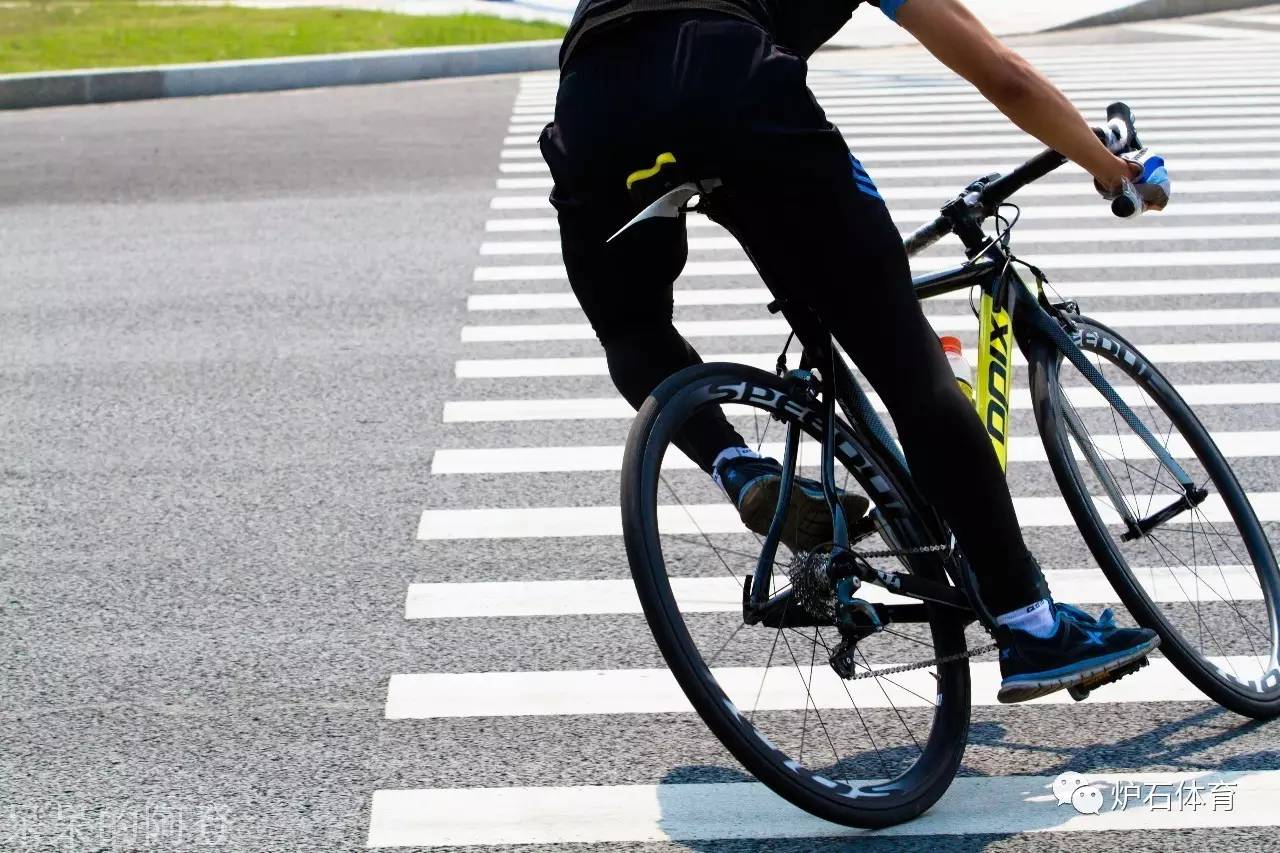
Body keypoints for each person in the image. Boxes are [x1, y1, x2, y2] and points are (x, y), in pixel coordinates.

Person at [538, 0, 1167, 702]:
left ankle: (735, 463)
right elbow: (1005, 77)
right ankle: (1033, 624)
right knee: (910, 368)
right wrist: (1110, 167)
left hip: (591, 106)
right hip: (729, 87)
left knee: (632, 328)